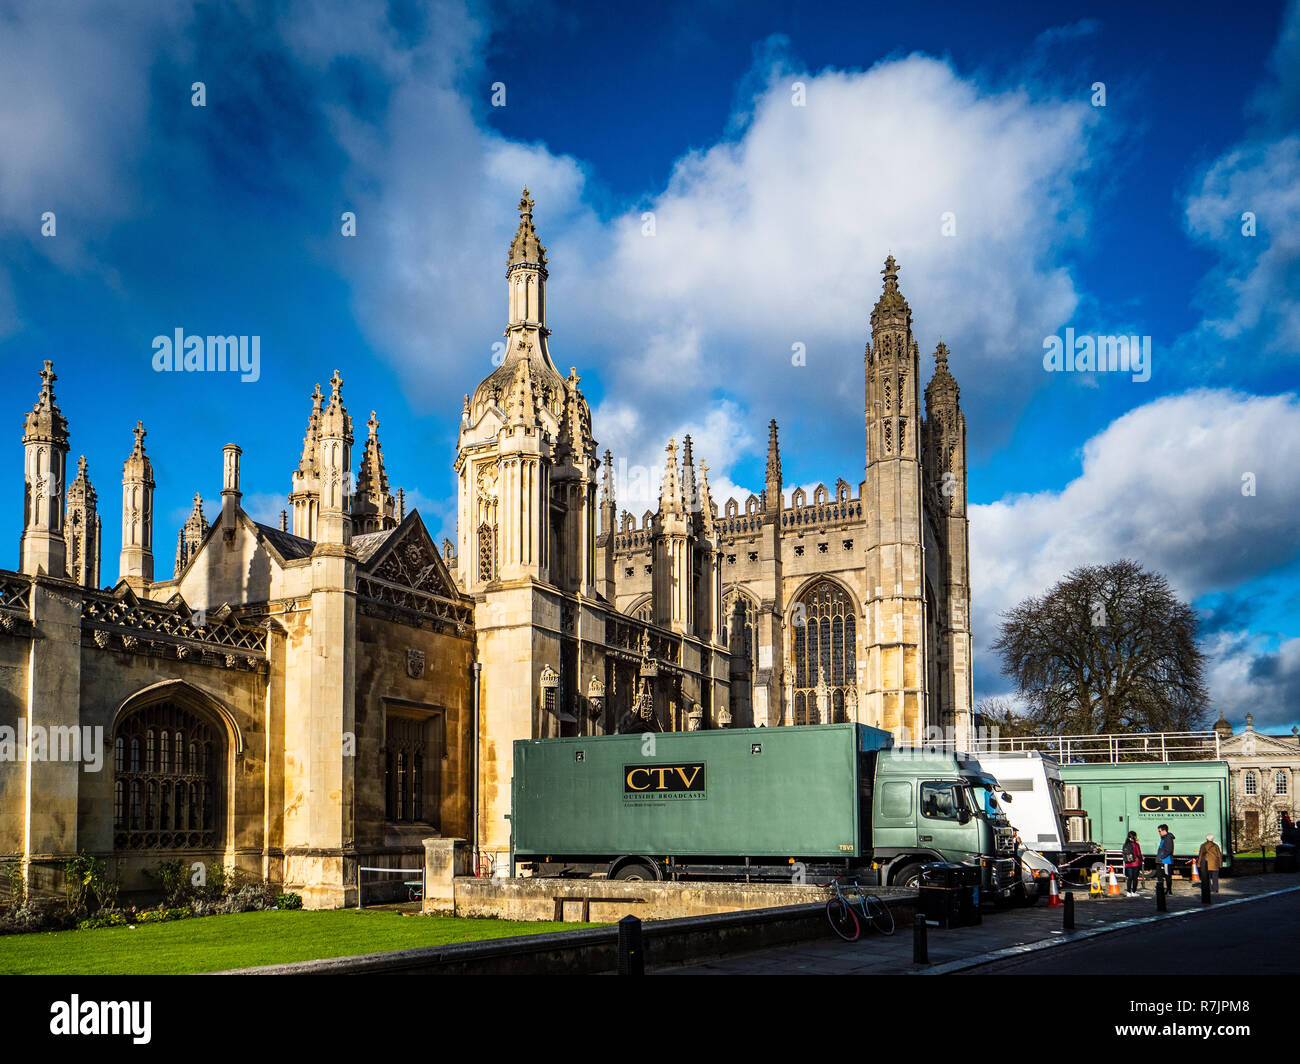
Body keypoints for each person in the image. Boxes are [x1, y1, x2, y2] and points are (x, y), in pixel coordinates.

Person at [1122, 830, 1143, 896]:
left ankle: (1128, 892)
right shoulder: (1136, 845)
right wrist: (1142, 859)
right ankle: (1134, 892)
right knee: (1135, 878)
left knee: (1129, 878)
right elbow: (1139, 854)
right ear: (1134, 837)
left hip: (1128, 863)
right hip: (1135, 863)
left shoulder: (1125, 845)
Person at [1156, 824, 1176, 893]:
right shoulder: (1164, 838)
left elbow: (1169, 850)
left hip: (1166, 861)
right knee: (1161, 875)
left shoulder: (1168, 838)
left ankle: (1169, 890)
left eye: (1160, 831)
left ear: (1164, 831)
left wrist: (1162, 857)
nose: (1159, 833)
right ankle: (1166, 889)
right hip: (1162, 860)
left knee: (1167, 875)